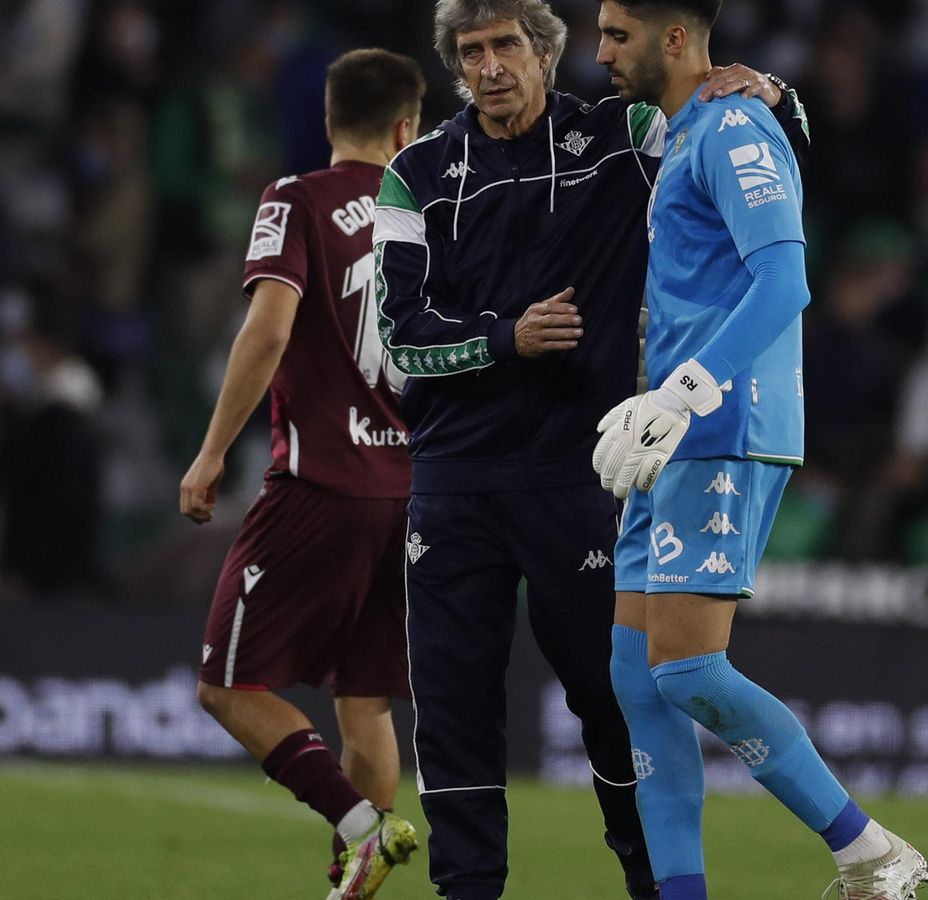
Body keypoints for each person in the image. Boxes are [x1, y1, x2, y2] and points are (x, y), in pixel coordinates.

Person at [373, 2, 809, 898]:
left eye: (506, 46)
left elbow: (749, 141)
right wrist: (506, 339)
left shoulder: (622, 131)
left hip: (585, 470)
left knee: (620, 702)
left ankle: (654, 883)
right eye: (471, 52)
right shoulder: (414, 174)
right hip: (454, 477)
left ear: (543, 52)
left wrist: (767, 87)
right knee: (453, 710)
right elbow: (399, 337)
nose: (490, 66)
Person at [590, 2, 928, 899]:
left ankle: (869, 850)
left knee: (688, 667)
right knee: (637, 677)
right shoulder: (688, 128)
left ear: (674, 37)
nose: (600, 53)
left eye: (616, 35)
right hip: (666, 434)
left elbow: (788, 279)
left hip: (719, 425)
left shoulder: (734, 124)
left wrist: (686, 394)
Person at [179, 48, 426, 900]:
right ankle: (357, 883)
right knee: (365, 700)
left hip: (321, 483)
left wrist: (213, 450)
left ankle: (365, 830)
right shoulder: (424, 212)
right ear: (407, 128)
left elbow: (268, 329)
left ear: (328, 122)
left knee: (227, 685)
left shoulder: (296, 198)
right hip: (412, 494)